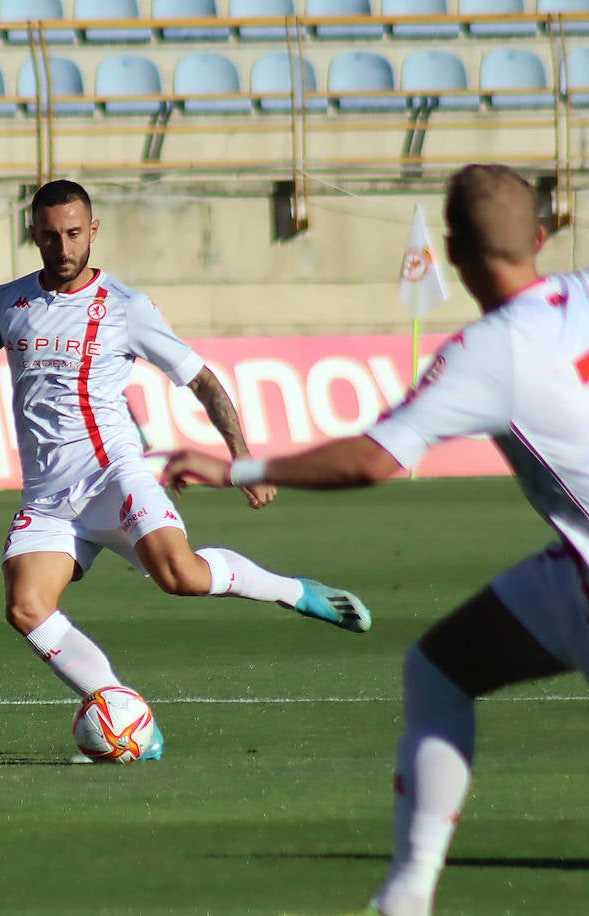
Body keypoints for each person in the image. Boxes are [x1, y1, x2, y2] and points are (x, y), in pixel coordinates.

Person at [162, 163, 588, 916]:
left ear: (452, 252)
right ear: (544, 236)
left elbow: (371, 459)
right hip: (574, 568)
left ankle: (410, 890)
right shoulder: (583, 291)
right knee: (441, 666)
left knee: (438, 676)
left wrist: (240, 467)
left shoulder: (489, 351)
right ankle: (406, 896)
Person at [0, 180, 371, 762]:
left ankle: (294, 592)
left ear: (93, 230)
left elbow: (203, 380)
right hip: (48, 496)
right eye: (50, 235)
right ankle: (121, 712)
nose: (62, 247)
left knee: (180, 577)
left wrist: (241, 456)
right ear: (32, 234)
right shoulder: (7, 303)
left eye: (73, 233)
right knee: (26, 607)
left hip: (115, 476)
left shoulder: (126, 307)